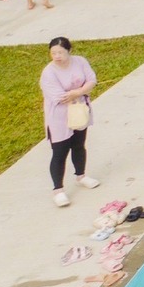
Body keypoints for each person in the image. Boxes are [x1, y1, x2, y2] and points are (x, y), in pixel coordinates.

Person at [41, 37, 99, 207]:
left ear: (69, 51)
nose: (57, 56)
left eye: (60, 52)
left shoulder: (80, 61)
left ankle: (81, 175)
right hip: (59, 117)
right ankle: (58, 190)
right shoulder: (49, 72)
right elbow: (59, 97)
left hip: (79, 111)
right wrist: (81, 91)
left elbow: (92, 80)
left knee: (79, 145)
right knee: (59, 152)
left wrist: (77, 92)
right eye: (53, 53)